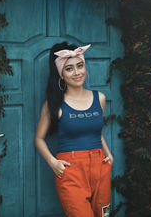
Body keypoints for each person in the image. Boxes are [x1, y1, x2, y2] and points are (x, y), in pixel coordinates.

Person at [35, 42, 114, 217]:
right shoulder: (54, 105)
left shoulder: (99, 98)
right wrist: (52, 162)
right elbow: (39, 139)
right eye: (69, 68)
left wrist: (109, 155)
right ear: (61, 74)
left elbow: (97, 132)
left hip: (100, 166)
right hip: (71, 170)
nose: (77, 73)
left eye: (80, 66)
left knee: (104, 215)